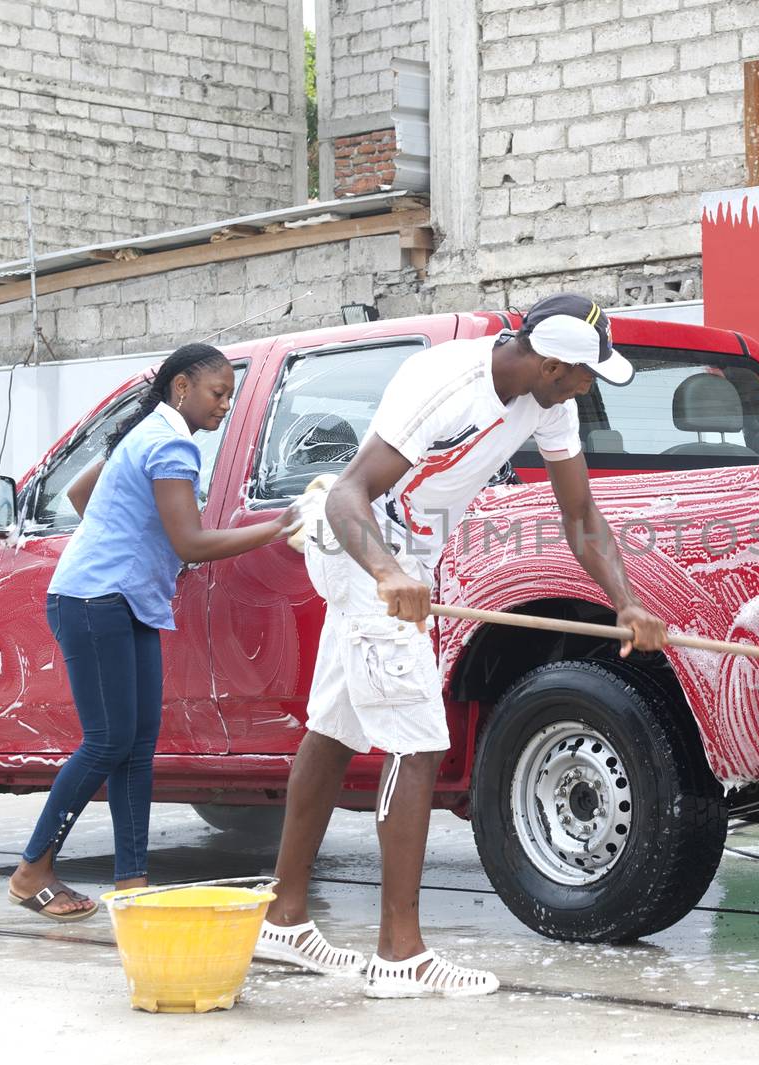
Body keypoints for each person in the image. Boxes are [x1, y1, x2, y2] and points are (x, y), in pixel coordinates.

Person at [258, 295, 669, 997]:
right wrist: (390, 574)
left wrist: (626, 602)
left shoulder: (550, 401)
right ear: (548, 360)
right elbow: (347, 496)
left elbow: (581, 517)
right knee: (417, 742)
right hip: (367, 552)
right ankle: (400, 953)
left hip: (403, 565)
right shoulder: (442, 384)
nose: (587, 387)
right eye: (581, 373)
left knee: (335, 726)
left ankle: (284, 917)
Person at [8, 343, 297, 921]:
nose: (224, 407)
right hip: (97, 600)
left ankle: (133, 880)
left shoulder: (144, 433)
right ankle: (31, 869)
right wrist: (276, 528)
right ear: (181, 388)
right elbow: (191, 542)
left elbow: (83, 495)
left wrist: (130, 539)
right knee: (109, 742)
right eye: (218, 394)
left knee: (137, 745)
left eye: (229, 397)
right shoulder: (169, 442)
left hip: (120, 599)